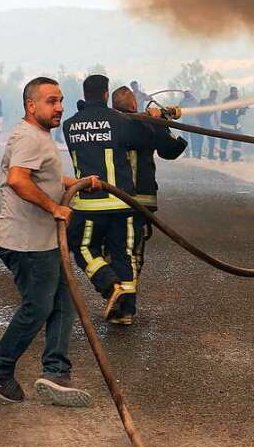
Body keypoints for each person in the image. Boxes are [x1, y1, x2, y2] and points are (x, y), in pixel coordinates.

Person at [0, 76, 99, 406]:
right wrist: (54, 207)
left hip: (42, 241)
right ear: (32, 106)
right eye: (51, 101)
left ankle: (56, 372)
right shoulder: (31, 137)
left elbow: (43, 175)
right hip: (26, 242)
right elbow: (18, 180)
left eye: (60, 100)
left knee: (63, 302)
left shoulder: (38, 137)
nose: (59, 106)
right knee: (39, 306)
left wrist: (77, 183)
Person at [62, 74, 161, 325]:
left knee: (82, 246)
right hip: (123, 203)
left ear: (85, 95)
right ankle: (124, 312)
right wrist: (154, 120)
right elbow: (145, 139)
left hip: (89, 205)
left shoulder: (70, 125)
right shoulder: (120, 121)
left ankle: (108, 285)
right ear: (106, 94)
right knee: (124, 255)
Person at [111, 85, 187, 277]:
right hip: (139, 200)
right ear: (135, 104)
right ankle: (125, 294)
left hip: (111, 200)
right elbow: (170, 151)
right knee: (133, 251)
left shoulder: (110, 124)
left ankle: (113, 284)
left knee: (114, 246)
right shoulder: (144, 124)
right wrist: (160, 122)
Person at [218, 86, 248, 162]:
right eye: (234, 91)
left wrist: (243, 110)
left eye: (236, 92)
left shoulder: (237, 100)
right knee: (224, 142)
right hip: (226, 125)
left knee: (238, 138)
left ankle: (235, 157)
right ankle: (222, 158)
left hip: (235, 125)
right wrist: (239, 111)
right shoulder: (226, 101)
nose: (236, 93)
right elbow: (230, 112)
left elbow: (237, 113)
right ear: (231, 92)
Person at [195, 89, 219, 160]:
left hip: (208, 122)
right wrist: (198, 122)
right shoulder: (203, 101)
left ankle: (210, 155)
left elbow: (215, 113)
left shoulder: (214, 103)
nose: (214, 96)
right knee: (200, 139)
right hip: (201, 121)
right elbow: (197, 112)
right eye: (213, 95)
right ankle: (198, 155)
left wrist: (216, 120)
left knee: (212, 139)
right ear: (210, 95)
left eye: (215, 95)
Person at [180, 90, 197, 157]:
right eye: (186, 94)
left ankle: (194, 153)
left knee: (193, 138)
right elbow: (179, 110)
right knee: (185, 139)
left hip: (193, 122)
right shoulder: (182, 102)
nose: (187, 94)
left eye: (188, 93)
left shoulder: (194, 101)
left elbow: (198, 110)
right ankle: (187, 153)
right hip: (185, 122)